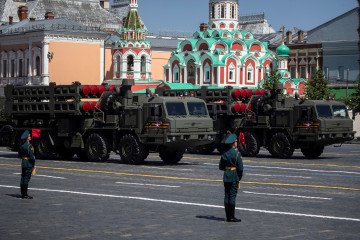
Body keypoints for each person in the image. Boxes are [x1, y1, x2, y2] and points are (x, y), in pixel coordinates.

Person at [219, 133, 244, 222]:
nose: (237, 142)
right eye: (236, 141)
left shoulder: (224, 153)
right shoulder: (236, 153)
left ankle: (228, 217)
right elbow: (240, 168)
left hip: (226, 176)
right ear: (233, 143)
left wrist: (227, 169)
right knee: (232, 196)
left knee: (226, 195)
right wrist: (238, 177)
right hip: (234, 176)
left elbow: (221, 167)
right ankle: (232, 217)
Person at [18, 130, 36, 199]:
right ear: (27, 138)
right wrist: (33, 164)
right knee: (26, 178)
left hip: (23, 163)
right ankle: (25, 194)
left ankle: (22, 193)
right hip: (28, 163)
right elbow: (32, 157)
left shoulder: (22, 146)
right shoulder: (29, 146)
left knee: (23, 178)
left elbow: (19, 155)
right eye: (29, 136)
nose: (30, 137)